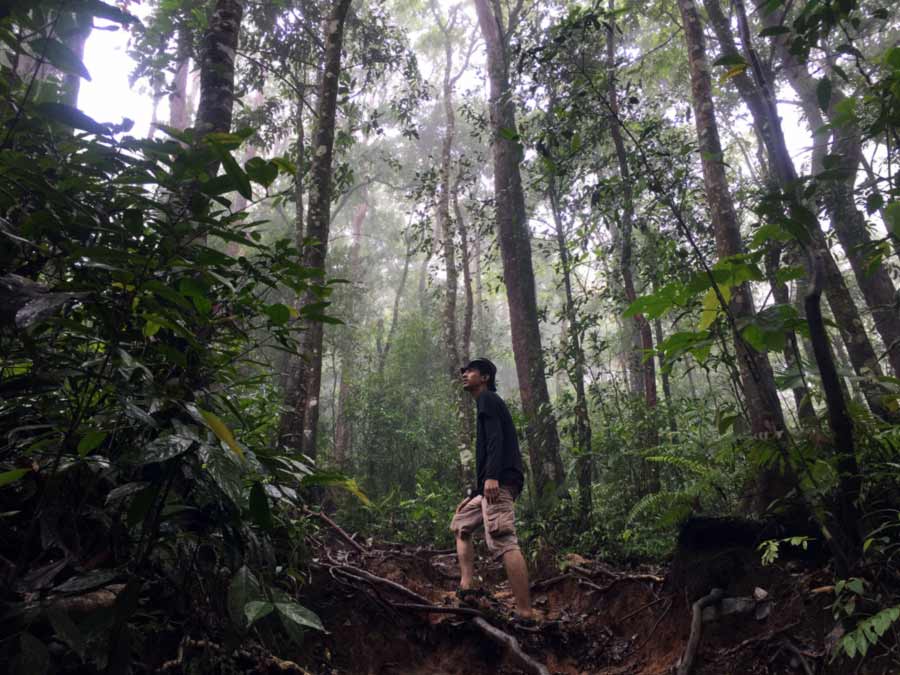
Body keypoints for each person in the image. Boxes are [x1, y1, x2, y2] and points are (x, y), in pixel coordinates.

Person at [450, 358, 533, 621]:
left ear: (484, 378)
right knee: (461, 523)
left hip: (500, 482)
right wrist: (475, 494)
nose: (465, 374)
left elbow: (496, 439)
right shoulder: (484, 403)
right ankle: (467, 588)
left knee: (503, 539)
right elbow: (488, 450)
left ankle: (525, 612)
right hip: (488, 486)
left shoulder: (487, 398)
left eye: (470, 371)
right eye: (463, 372)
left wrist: (493, 477)